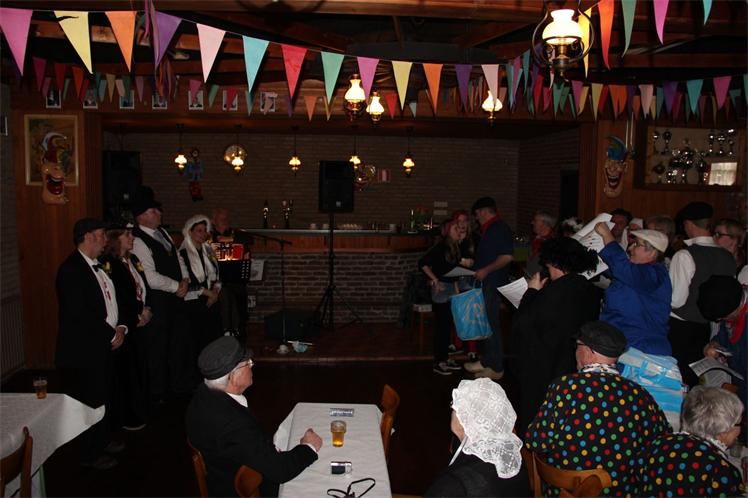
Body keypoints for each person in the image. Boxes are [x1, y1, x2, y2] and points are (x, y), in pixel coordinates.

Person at [525, 321, 670, 497]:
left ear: (589, 351)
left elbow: (536, 441)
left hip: (567, 492)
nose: (575, 352)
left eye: (577, 346)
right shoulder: (640, 394)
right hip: (622, 493)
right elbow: (662, 443)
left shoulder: (566, 387)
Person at [185, 337, 321, 497]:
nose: (252, 365)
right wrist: (308, 447)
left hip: (223, 470)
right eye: (248, 363)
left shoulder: (202, 395)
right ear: (233, 377)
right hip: (243, 488)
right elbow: (280, 471)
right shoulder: (232, 424)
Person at [55, 218, 127, 470]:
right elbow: (80, 314)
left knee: (102, 394)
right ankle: (88, 453)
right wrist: (111, 334)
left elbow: (111, 302)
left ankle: (102, 439)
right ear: (87, 237)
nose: (106, 239)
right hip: (83, 350)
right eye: (101, 234)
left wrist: (121, 327)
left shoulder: (98, 265)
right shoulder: (71, 270)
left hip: (102, 343)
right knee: (88, 400)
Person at [511, 237, 601, 432]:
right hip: (572, 361)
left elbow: (522, 325)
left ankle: (534, 445)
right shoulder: (590, 290)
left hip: (543, 364)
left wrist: (531, 292)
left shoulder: (551, 293)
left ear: (555, 263)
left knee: (537, 412)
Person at [130, 186, 192, 401]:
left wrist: (185, 280)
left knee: (177, 344)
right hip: (159, 302)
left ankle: (178, 385)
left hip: (176, 300)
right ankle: (158, 391)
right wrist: (176, 286)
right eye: (153, 211)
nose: (159, 213)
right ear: (141, 216)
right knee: (158, 347)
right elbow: (150, 276)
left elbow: (178, 258)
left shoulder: (163, 233)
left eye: (157, 210)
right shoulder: (138, 240)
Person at [669, 202, 737, 387]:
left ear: (689, 224)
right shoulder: (727, 256)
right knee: (696, 380)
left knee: (677, 380)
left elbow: (676, 300)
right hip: (709, 328)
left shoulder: (684, 255)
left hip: (681, 329)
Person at [424, 378, 528, 497]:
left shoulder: (456, 484)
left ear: (463, 421)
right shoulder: (513, 459)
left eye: (455, 405)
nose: (452, 408)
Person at [635, 386, 745, 497]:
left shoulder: (659, 443)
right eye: (739, 423)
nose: (741, 429)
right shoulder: (721, 470)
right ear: (723, 430)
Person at [102, 223, 152, 431]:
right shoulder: (110, 264)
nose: (132, 238)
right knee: (127, 372)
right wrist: (134, 316)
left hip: (141, 319)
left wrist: (147, 308)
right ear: (116, 238)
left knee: (141, 368)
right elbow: (118, 297)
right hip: (127, 323)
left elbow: (143, 287)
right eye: (127, 234)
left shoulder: (133, 260)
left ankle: (141, 408)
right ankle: (128, 415)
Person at [595, 224, 673, 355]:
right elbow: (613, 267)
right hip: (623, 341)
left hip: (641, 346)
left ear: (652, 252)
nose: (630, 248)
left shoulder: (654, 274)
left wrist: (607, 235)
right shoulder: (637, 272)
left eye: (636, 244)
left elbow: (621, 267)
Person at [464, 197, 513, 380]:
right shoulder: (491, 228)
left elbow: (507, 257)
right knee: (485, 325)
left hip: (493, 283)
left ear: (484, 211)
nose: (476, 218)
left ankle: (496, 367)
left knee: (491, 326)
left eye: (477, 214)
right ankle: (487, 361)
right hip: (486, 283)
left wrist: (485, 270)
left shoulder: (499, 228)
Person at [419, 220, 467, 375]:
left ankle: (444, 358)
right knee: (442, 327)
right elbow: (423, 263)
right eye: (455, 228)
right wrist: (435, 280)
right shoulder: (441, 247)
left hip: (451, 287)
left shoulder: (455, 247)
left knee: (448, 326)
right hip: (441, 289)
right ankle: (439, 362)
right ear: (447, 231)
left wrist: (457, 290)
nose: (459, 230)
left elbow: (454, 272)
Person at [697, 275, 747, 409]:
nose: (721, 321)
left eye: (722, 317)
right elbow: (723, 337)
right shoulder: (732, 306)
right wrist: (714, 345)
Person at [179, 215, 222, 357]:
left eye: (204, 230)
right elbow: (185, 282)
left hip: (212, 300)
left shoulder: (208, 251)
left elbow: (217, 275)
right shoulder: (182, 254)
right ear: (189, 232)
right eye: (199, 230)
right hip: (194, 303)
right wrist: (208, 293)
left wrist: (214, 292)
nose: (203, 234)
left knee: (213, 340)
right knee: (197, 342)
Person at [526, 210, 556, 276]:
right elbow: (522, 258)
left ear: (544, 224)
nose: (532, 223)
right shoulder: (536, 239)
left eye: (535, 221)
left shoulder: (553, 244)